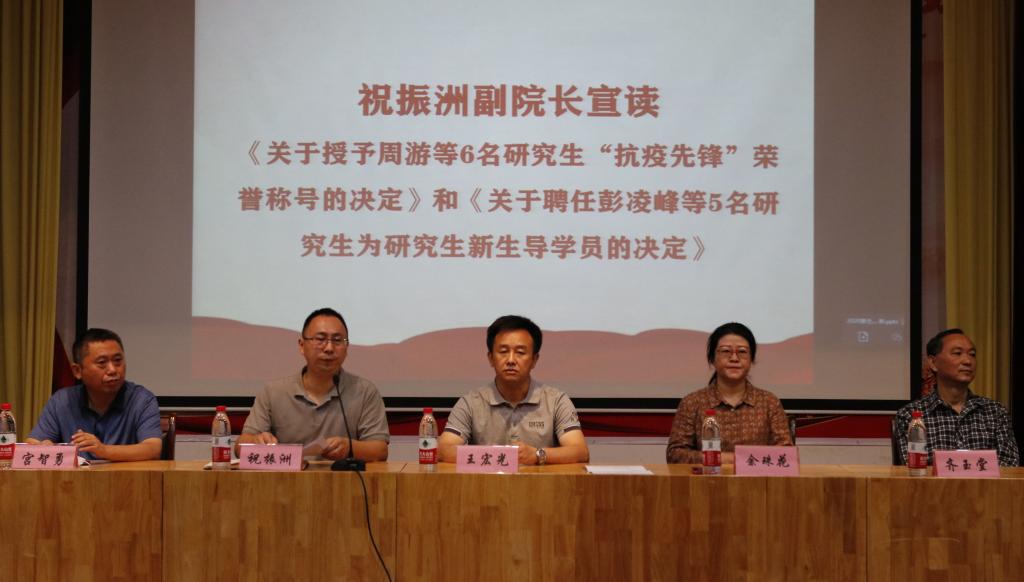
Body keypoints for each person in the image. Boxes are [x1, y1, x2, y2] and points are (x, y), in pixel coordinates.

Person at [237, 307, 389, 461]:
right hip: (286, 476)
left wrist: (350, 448)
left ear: (347, 347)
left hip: (342, 476)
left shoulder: (364, 391)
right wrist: (256, 441)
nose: (329, 348)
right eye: (320, 339)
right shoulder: (273, 392)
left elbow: (380, 450)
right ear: (302, 345)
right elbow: (239, 447)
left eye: (337, 340)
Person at [438, 315, 589, 465]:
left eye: (520, 352)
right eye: (503, 351)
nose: (511, 360)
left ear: (534, 360)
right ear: (491, 358)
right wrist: (501, 456)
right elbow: (443, 450)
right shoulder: (470, 403)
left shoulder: (556, 401)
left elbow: (580, 451)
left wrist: (537, 455)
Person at [27, 328, 162, 461]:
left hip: (125, 475)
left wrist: (103, 450)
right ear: (77, 371)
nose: (112, 370)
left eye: (117, 360)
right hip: (74, 476)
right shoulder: (62, 401)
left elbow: (153, 449)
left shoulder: (141, 400)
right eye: (102, 363)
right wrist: (44, 447)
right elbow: (32, 443)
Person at [666, 322, 792, 464]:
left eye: (742, 352)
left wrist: (739, 461)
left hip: (756, 479)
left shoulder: (769, 402)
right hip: (708, 478)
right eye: (726, 351)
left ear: (751, 359)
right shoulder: (692, 402)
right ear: (712, 358)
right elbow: (675, 455)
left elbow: (786, 454)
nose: (734, 358)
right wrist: (728, 459)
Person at [895, 329, 1019, 466]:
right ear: (933, 363)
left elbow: (1010, 466)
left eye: (972, 354)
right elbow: (913, 469)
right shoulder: (911, 416)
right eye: (957, 353)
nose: (968, 361)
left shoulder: (995, 412)